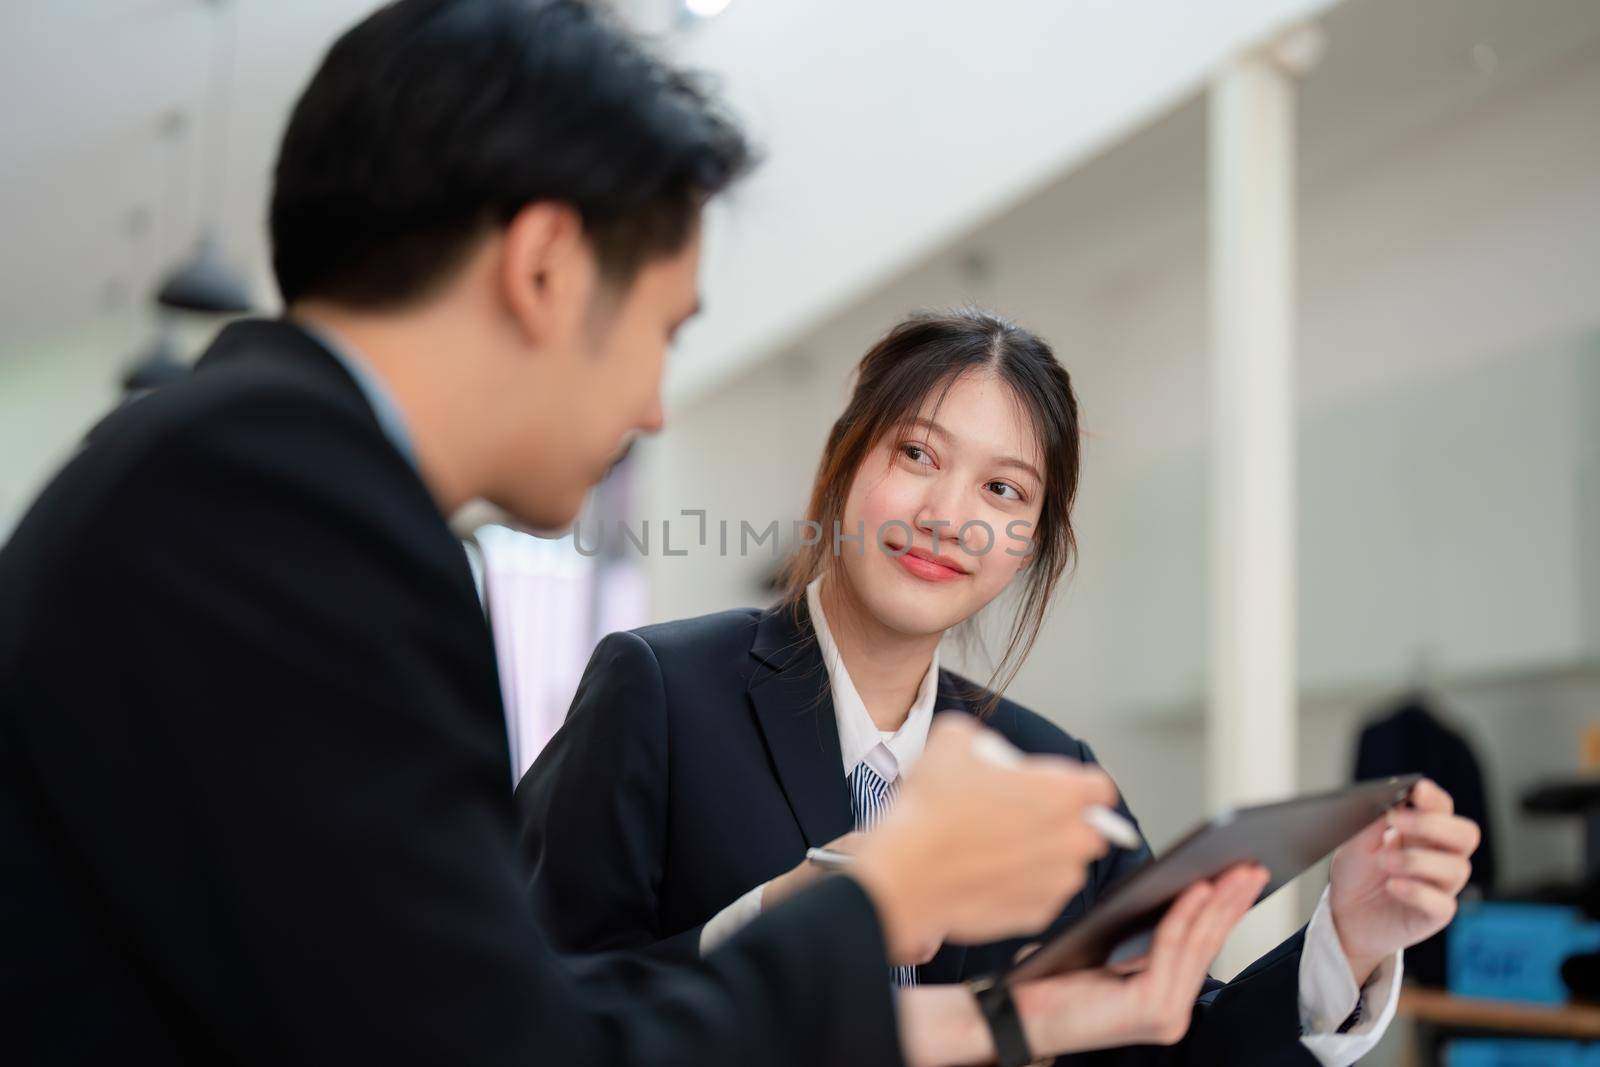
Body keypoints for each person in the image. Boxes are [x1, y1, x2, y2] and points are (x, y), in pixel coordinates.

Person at [0, 3, 1132, 1064]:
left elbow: (458, 1009)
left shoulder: (233, 468)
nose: (652, 407)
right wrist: (881, 897)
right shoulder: (293, 511)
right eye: (661, 328)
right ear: (544, 268)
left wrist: (1000, 1009)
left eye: (1005, 492)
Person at [517, 309, 1483, 1062]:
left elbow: (1167, 1041)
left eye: (1004, 490)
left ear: (1033, 543)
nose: (948, 515)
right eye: (918, 454)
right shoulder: (660, 689)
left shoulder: (1049, 769)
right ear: (848, 460)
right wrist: (779, 913)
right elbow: (526, 1008)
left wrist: (1347, 939)